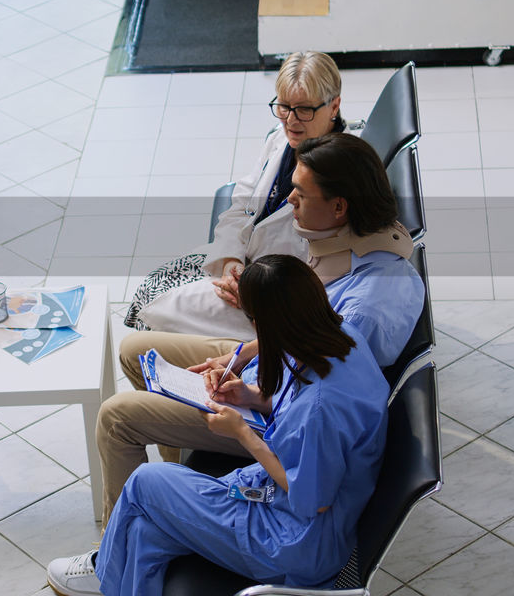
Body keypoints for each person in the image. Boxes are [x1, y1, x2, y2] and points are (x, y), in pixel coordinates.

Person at [96, 132, 422, 526]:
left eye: (301, 194)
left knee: (116, 417)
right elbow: (304, 338)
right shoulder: (353, 244)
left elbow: (312, 402)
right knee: (136, 348)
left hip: (277, 417)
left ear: (339, 207)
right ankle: (176, 467)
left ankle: (112, 548)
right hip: (271, 373)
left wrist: (247, 397)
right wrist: (242, 354)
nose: (289, 201)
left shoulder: (365, 310)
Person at [47, 255, 390, 596]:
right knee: (143, 534)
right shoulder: (339, 336)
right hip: (285, 512)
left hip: (294, 541)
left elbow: (311, 500)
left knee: (145, 481)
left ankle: (105, 570)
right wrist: (252, 397)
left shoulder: (321, 408)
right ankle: (112, 578)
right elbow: (297, 406)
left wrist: (241, 432)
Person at [125, 50, 346, 337]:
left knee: (157, 317)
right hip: (243, 265)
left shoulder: (342, 175)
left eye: (304, 109)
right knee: (150, 288)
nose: (291, 121)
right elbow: (243, 201)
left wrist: (255, 295)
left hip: (273, 303)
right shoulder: (282, 139)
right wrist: (231, 260)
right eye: (283, 106)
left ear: (334, 106)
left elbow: (324, 277)